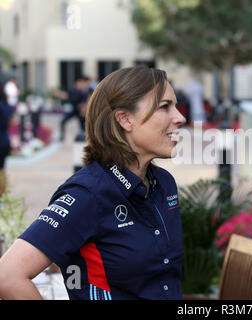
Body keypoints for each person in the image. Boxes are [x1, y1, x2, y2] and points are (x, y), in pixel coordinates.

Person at [0, 67, 186, 300]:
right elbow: (8, 276)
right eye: (164, 107)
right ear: (125, 119)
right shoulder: (88, 193)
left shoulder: (164, 183)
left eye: (176, 106)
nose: (180, 117)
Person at [59, 76, 90, 141]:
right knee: (63, 121)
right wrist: (58, 94)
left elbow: (87, 100)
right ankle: (62, 136)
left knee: (84, 124)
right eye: (79, 83)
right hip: (73, 110)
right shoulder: (73, 91)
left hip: (80, 111)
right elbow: (66, 96)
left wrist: (84, 107)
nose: (80, 84)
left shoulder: (83, 91)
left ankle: (85, 136)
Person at [0, 82, 14, 195]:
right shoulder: (6, 105)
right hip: (5, 139)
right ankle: (3, 193)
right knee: (2, 169)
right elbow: (11, 124)